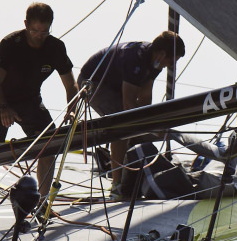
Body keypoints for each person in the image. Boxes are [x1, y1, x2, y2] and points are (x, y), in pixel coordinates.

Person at [0, 2, 78, 220]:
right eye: (34, 30)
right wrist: (3, 107)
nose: (38, 36)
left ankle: (41, 203)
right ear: (26, 24)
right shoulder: (11, 44)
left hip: (29, 101)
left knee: (50, 144)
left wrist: (72, 109)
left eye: (44, 32)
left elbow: (71, 85)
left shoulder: (56, 48)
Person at [77, 31, 185, 192]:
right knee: (123, 124)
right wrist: (152, 128)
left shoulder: (155, 63)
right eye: (171, 62)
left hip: (117, 87)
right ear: (162, 55)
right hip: (94, 84)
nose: (171, 66)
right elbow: (128, 105)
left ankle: (132, 175)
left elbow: (145, 97)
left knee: (138, 129)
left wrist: (152, 123)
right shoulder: (136, 58)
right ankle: (117, 183)